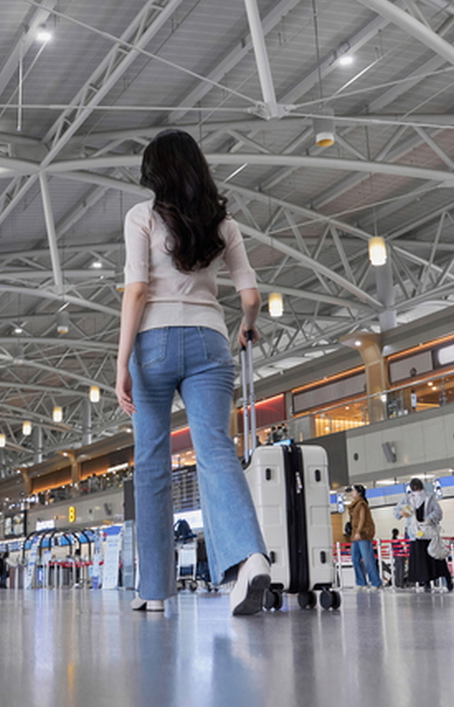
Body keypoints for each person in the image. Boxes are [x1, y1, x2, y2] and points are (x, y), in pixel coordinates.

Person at [115, 129, 270, 616]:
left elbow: (136, 291)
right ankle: (250, 558)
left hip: (152, 345)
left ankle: (153, 589)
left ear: (154, 174)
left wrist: (121, 362)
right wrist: (246, 327)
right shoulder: (223, 224)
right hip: (209, 341)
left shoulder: (141, 217)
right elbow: (250, 297)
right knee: (216, 450)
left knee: (152, 462)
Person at [393, 478, 452, 592]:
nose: (417, 491)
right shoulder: (407, 499)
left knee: (436, 557)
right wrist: (401, 512)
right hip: (416, 533)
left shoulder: (430, 497)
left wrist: (429, 518)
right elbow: (396, 513)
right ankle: (426, 582)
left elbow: (438, 512)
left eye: (418, 489)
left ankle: (447, 579)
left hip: (429, 533)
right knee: (421, 561)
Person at [344, 485, 382, 589]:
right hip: (355, 535)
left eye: (353, 491)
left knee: (368, 559)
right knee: (355, 559)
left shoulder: (361, 505)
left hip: (363, 535)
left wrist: (358, 532)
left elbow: (362, 519)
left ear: (359, 493)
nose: (352, 493)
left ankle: (376, 582)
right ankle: (361, 582)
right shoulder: (354, 505)